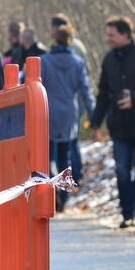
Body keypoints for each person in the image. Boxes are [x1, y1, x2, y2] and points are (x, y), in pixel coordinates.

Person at [90, 16, 135, 228]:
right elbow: (103, 93)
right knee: (121, 171)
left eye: (112, 35)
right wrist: (95, 122)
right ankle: (127, 214)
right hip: (119, 126)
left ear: (125, 35)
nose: (108, 39)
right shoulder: (109, 59)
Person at [41, 24, 95, 211]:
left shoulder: (44, 61)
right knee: (65, 157)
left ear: (55, 40)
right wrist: (92, 114)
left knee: (45, 156)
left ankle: (48, 190)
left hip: (47, 111)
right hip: (69, 113)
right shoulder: (78, 63)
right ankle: (63, 196)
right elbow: (86, 91)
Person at [50, 13, 89, 183]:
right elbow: (84, 81)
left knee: (58, 148)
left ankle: (59, 182)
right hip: (72, 104)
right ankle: (71, 179)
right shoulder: (79, 50)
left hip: (58, 105)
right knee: (70, 143)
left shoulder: (48, 59)